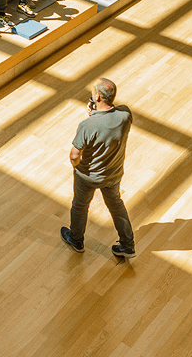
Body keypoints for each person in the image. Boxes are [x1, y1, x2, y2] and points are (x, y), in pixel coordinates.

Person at [60, 78, 136, 259]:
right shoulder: (125, 115)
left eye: (94, 92)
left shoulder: (88, 125)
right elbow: (112, 115)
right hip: (114, 174)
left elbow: (74, 155)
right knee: (116, 206)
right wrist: (96, 113)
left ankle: (76, 240)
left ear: (98, 97)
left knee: (80, 205)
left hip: (88, 176)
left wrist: (77, 168)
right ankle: (127, 245)